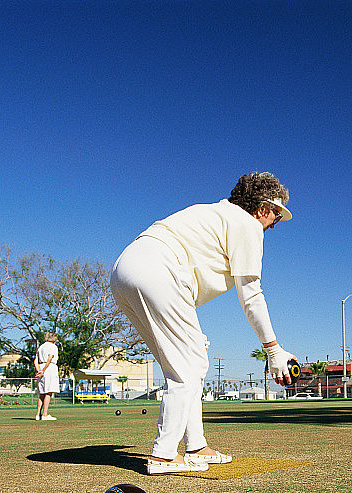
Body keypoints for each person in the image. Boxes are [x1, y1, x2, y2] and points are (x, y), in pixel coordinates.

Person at [110, 171, 297, 474]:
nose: (273, 226)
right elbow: (250, 295)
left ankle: (196, 446)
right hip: (158, 268)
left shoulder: (214, 212)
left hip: (124, 271)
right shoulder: (248, 224)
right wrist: (273, 350)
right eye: (274, 218)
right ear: (262, 209)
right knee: (187, 366)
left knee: (194, 356)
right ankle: (164, 455)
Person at [34, 332, 60, 420]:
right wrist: (43, 371)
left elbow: (35, 361)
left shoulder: (41, 347)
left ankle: (38, 414)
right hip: (49, 368)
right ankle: (45, 414)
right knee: (48, 392)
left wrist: (39, 371)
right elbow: (50, 359)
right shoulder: (53, 347)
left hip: (41, 367)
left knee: (42, 393)